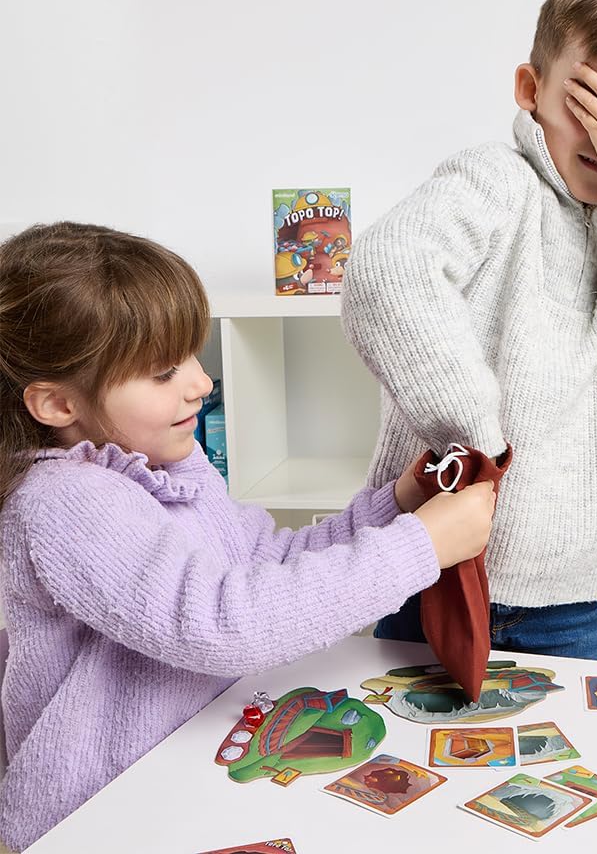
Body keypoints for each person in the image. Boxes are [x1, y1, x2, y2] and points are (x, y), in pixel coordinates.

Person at [0, 222, 495, 851]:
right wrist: (418, 547)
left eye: (193, 357)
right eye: (163, 373)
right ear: (57, 405)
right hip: (102, 816)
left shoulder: (170, 465)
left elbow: (265, 559)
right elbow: (222, 624)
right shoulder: (66, 501)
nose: (201, 384)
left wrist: (394, 509)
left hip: (189, 771)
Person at [341, 0, 597, 660]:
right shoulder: (495, 179)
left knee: (553, 736)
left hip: (569, 598)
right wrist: (474, 436)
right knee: (402, 732)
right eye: (593, 101)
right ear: (532, 90)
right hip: (429, 567)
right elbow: (386, 269)